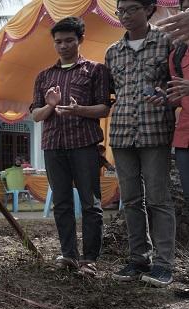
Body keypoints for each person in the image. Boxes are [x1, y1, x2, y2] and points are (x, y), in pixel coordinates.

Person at [31, 17, 111, 277]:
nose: (63, 46)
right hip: (53, 146)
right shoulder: (44, 76)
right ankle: (69, 255)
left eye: (69, 40)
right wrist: (51, 105)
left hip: (84, 145)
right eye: (58, 42)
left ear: (80, 40)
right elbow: (36, 116)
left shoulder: (95, 70)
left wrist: (79, 110)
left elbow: (104, 108)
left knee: (91, 203)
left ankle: (90, 260)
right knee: (62, 203)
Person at [106, 0, 176, 287]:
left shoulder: (167, 42)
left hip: (155, 131)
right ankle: (138, 258)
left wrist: (164, 95)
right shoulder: (112, 52)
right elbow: (111, 92)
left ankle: (164, 264)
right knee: (131, 199)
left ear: (148, 9)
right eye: (120, 11)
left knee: (159, 198)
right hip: (122, 133)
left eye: (131, 9)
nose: (124, 16)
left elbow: (177, 84)